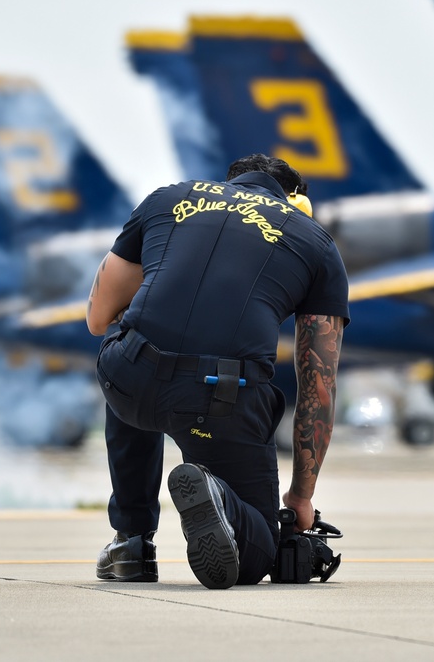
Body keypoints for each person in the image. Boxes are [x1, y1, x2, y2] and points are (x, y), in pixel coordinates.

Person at [85, 153, 349, 589]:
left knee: (128, 342)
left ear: (230, 183)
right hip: (219, 400)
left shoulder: (165, 200)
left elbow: (98, 319)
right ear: (294, 201)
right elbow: (319, 385)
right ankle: (219, 496)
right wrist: (301, 497)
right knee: (257, 552)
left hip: (131, 380)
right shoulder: (315, 241)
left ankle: (131, 542)